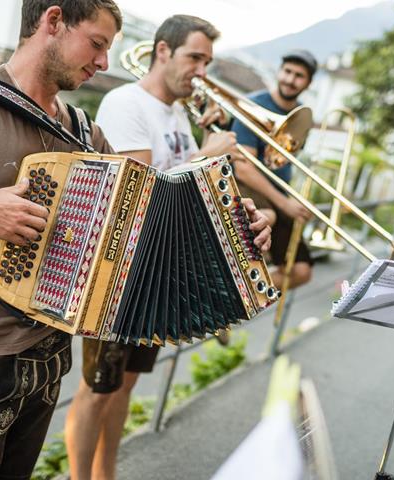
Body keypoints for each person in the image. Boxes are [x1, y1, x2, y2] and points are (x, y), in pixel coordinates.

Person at [64, 15, 272, 480]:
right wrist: (208, 155)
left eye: (208, 61)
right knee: (96, 390)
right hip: (119, 272)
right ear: (162, 51)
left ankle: (106, 473)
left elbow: (189, 197)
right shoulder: (125, 103)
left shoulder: (179, 113)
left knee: (124, 388)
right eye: (194, 58)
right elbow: (138, 193)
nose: (202, 71)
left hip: (158, 274)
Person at [0, 1, 123, 478]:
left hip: (50, 355)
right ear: (53, 21)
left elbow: (140, 211)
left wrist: (230, 219)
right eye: (97, 44)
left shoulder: (87, 135)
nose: (103, 63)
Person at [231, 49, 318, 289]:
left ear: (308, 83)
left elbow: (284, 161)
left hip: (279, 195)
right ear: (279, 72)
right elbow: (243, 168)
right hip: (253, 192)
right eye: (287, 71)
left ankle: (242, 295)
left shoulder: (300, 116)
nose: (290, 79)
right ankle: (236, 298)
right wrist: (284, 203)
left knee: (300, 270)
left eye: (298, 75)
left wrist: (292, 201)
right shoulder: (254, 105)